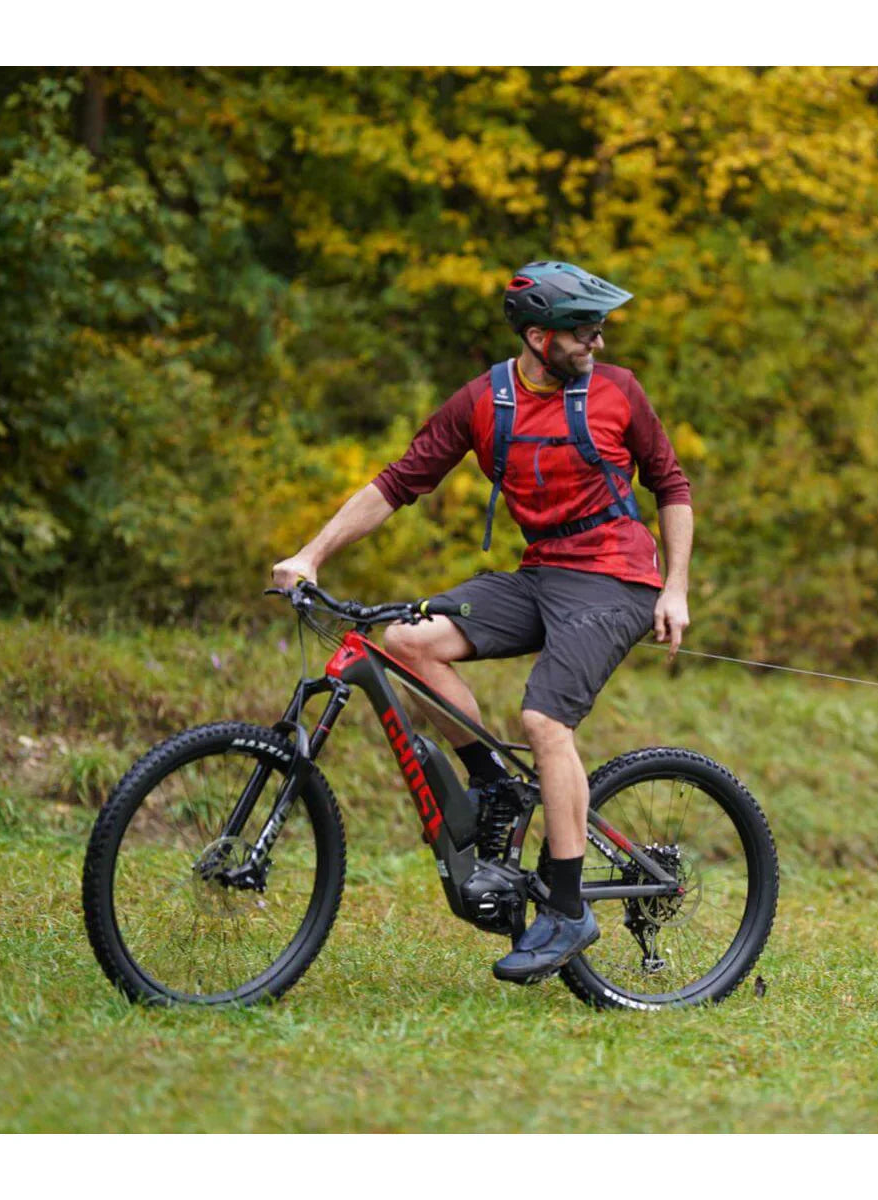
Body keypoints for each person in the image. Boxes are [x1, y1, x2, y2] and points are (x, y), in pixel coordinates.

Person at [271, 261, 693, 984]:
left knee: (545, 721)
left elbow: (671, 485)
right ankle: (491, 782)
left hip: (617, 579)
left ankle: (568, 910)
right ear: (537, 337)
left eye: (598, 327)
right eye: (581, 329)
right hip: (540, 576)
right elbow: (397, 483)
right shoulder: (484, 402)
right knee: (406, 642)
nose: (597, 338)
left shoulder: (619, 391)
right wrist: (311, 555)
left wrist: (675, 588)